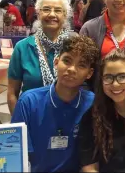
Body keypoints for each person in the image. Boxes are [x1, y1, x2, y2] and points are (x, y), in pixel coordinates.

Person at [11, 35, 99, 172]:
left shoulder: (92, 103)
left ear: (89, 73)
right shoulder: (28, 102)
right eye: (67, 61)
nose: (72, 69)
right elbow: (15, 155)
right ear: (56, 62)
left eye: (81, 65)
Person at [7, 0, 73, 115]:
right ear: (38, 13)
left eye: (58, 10)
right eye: (46, 9)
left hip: (68, 119)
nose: (52, 14)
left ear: (65, 15)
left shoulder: (75, 46)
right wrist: (20, 127)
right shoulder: (22, 47)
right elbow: (12, 93)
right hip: (32, 118)